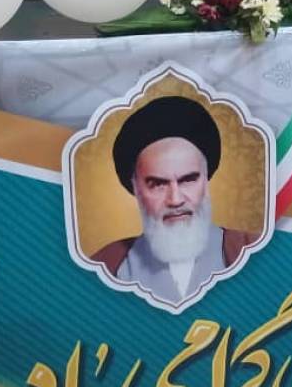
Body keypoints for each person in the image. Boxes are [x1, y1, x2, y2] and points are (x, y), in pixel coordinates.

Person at [91, 96, 256, 304]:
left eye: (188, 180)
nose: (175, 200)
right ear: (135, 188)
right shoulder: (105, 265)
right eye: (158, 184)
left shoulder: (253, 250)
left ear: (206, 179)